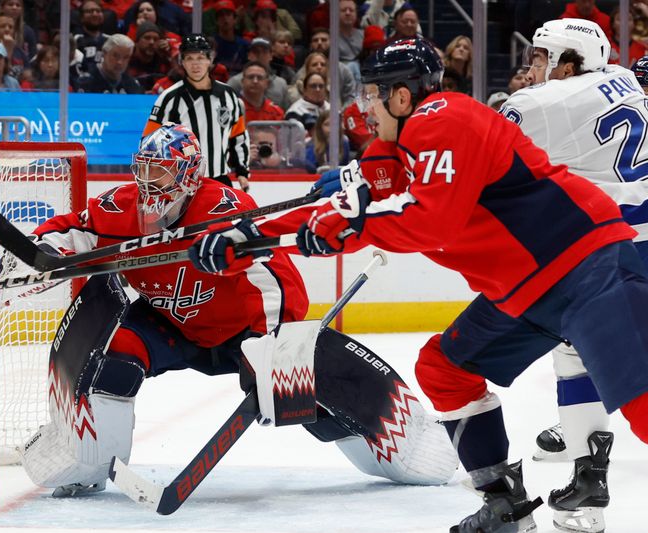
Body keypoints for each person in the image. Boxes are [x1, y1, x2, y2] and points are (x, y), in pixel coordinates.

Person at [189, 37, 648, 533]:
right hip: (526, 290)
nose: (366, 107)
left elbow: (431, 223)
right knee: (444, 369)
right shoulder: (397, 148)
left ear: (402, 96)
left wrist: (347, 225)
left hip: (585, 262)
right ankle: (503, 505)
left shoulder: (446, 117)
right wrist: (248, 232)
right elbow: (344, 206)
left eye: (373, 95)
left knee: (642, 403)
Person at [19, 122, 458, 497]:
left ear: (189, 176)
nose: (149, 184)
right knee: (115, 352)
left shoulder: (224, 212)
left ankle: (405, 443)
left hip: (241, 335)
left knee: (306, 388)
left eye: (162, 173)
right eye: (144, 171)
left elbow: (276, 278)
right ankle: (87, 462)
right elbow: (73, 230)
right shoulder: (118, 207)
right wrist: (39, 254)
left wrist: (274, 351)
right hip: (168, 326)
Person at [500, 18, 648, 532]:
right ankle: (588, 479)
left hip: (621, 258)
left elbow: (485, 158)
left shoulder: (542, 105)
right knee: (573, 350)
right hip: (631, 247)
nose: (531, 69)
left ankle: (589, 480)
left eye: (541, 59)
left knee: (618, 377)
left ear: (568, 64)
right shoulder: (627, 81)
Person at [145, 34, 250, 191]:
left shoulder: (228, 95)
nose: (195, 64)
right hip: (181, 182)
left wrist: (242, 171)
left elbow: (238, 135)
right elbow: (150, 140)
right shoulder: (170, 98)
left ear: (210, 60)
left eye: (200, 58)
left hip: (219, 178)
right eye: (189, 58)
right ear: (182, 62)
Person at [74, 34, 143, 94]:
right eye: (115, 56)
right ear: (104, 53)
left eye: (126, 57)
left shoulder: (132, 85)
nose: (120, 62)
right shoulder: (86, 83)